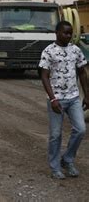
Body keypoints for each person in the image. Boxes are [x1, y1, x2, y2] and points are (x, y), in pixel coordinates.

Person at [39, 20, 88, 180]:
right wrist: (53, 99)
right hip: (57, 100)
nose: (68, 36)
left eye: (70, 33)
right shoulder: (49, 51)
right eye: (65, 33)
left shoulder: (76, 50)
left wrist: (87, 95)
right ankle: (55, 167)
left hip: (73, 98)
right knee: (55, 134)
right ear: (57, 33)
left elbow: (82, 72)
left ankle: (67, 159)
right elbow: (44, 76)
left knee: (80, 129)